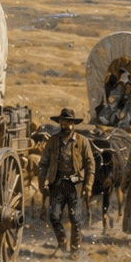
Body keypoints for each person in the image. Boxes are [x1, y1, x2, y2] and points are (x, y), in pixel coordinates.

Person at [38, 108, 94, 252]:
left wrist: (88, 185)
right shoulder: (53, 141)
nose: (66, 125)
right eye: (63, 122)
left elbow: (90, 165)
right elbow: (43, 163)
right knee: (54, 216)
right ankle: (62, 240)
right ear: (60, 123)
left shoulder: (83, 142)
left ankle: (74, 250)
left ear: (73, 125)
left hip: (76, 186)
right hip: (57, 184)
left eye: (69, 123)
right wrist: (41, 183)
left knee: (76, 220)